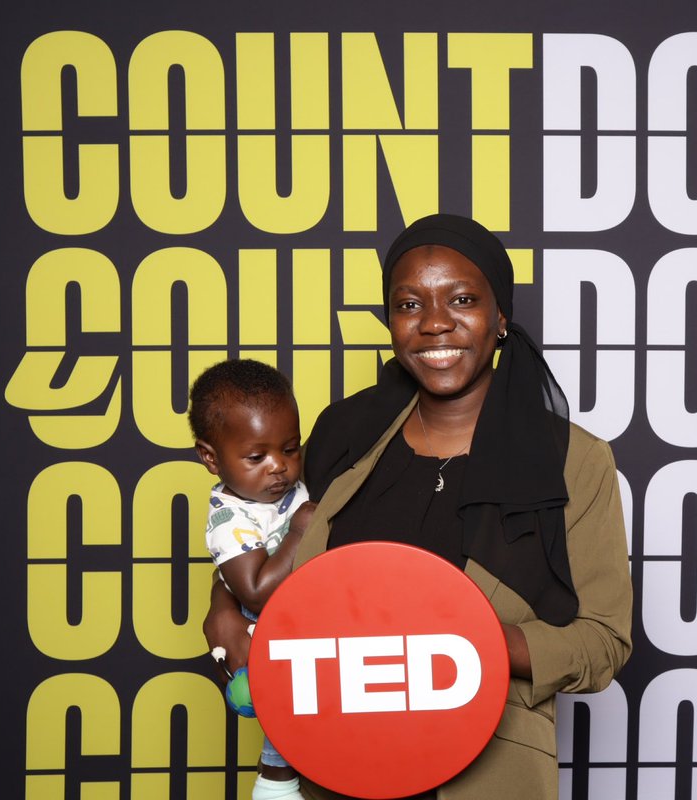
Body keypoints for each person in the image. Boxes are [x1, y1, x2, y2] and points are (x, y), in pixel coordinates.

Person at [203, 214, 633, 799]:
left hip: (489, 776)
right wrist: (225, 608)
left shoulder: (573, 462)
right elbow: (269, 527)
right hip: (336, 773)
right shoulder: (344, 433)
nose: (435, 323)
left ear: (500, 317)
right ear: (391, 321)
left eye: (462, 299)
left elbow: (604, 641)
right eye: (409, 305)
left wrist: (472, 638)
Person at [190, 359, 316, 800]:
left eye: (291, 448)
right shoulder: (231, 516)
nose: (279, 467)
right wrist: (300, 532)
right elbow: (257, 591)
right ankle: (274, 786)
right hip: (272, 638)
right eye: (256, 457)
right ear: (210, 457)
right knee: (286, 729)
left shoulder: (278, 488)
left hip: (311, 627)